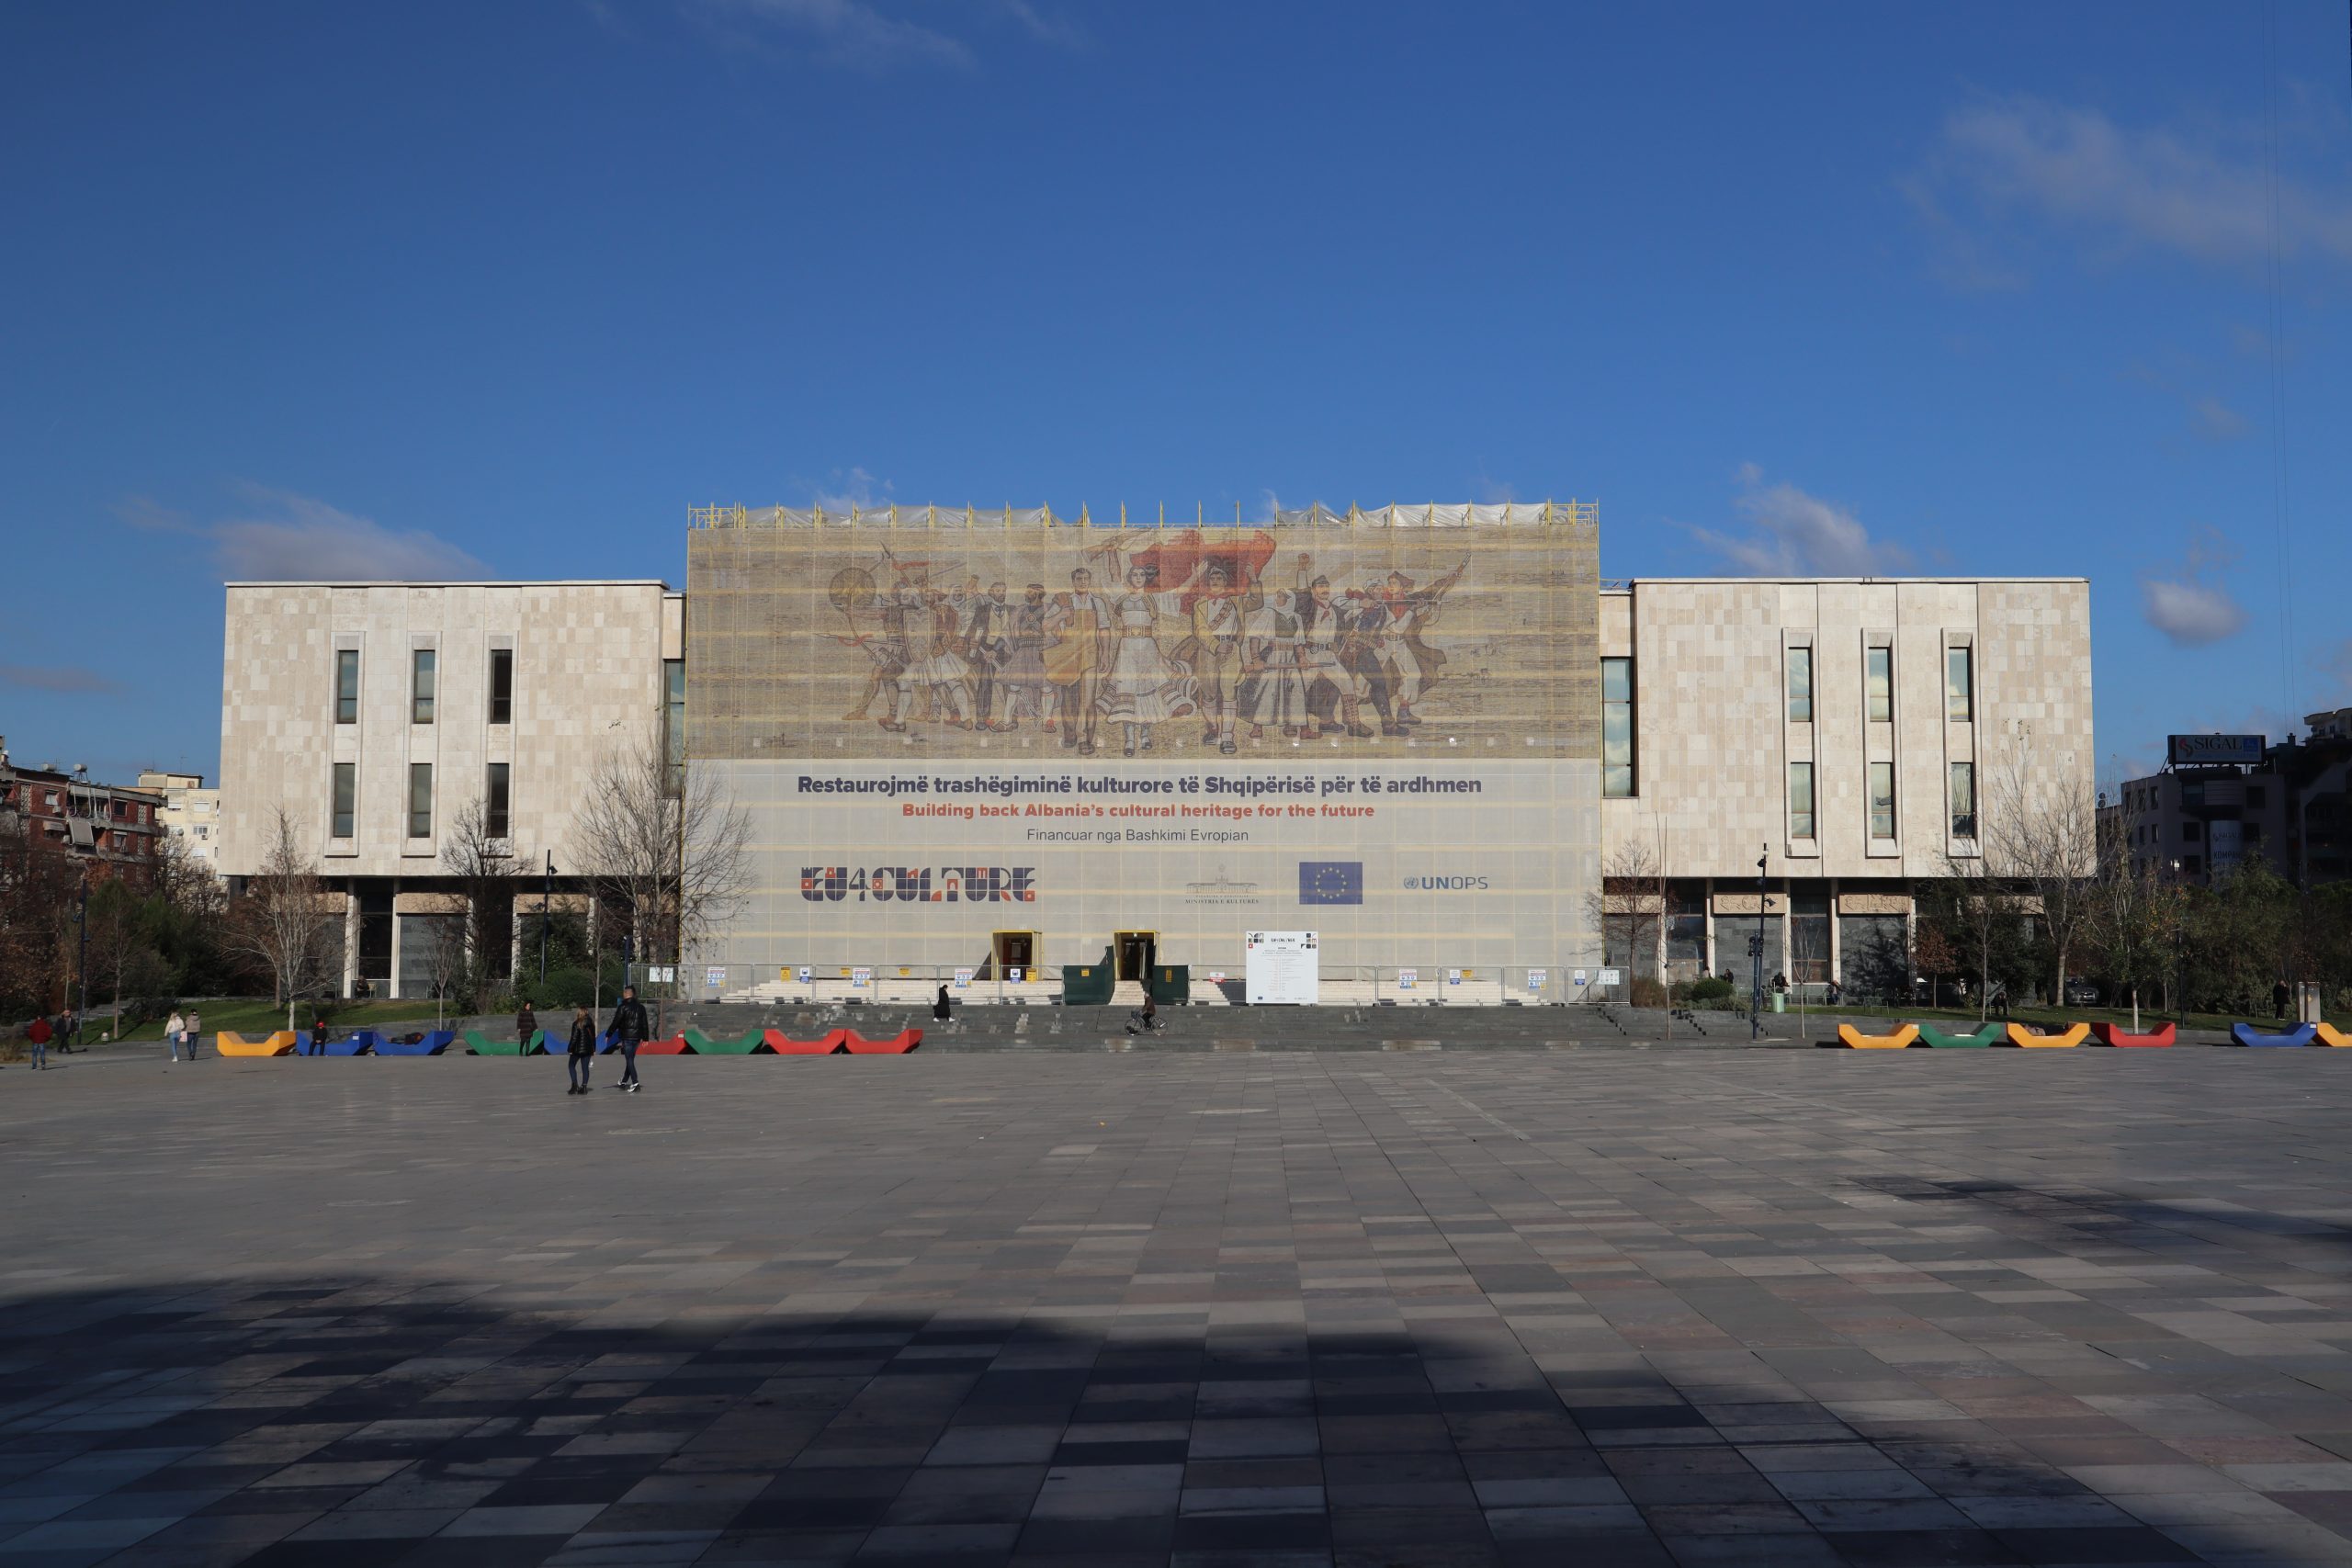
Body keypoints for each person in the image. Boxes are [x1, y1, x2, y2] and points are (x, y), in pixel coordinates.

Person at [609, 984, 650, 1093]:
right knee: (630, 1059)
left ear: (627, 994)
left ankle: (635, 1083)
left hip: (627, 1037)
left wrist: (609, 1034)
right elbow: (644, 1024)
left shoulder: (622, 1007)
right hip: (637, 1038)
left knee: (629, 1060)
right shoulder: (641, 1007)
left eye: (624, 993)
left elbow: (616, 1022)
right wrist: (645, 1038)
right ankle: (623, 1081)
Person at [564, 1006, 596, 1094]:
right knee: (585, 1068)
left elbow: (574, 1038)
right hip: (588, 1049)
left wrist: (569, 1049)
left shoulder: (576, 1023)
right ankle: (584, 1087)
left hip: (577, 1050)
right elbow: (593, 1037)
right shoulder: (591, 1023)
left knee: (571, 1065)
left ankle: (574, 1086)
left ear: (579, 1013)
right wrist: (594, 1049)